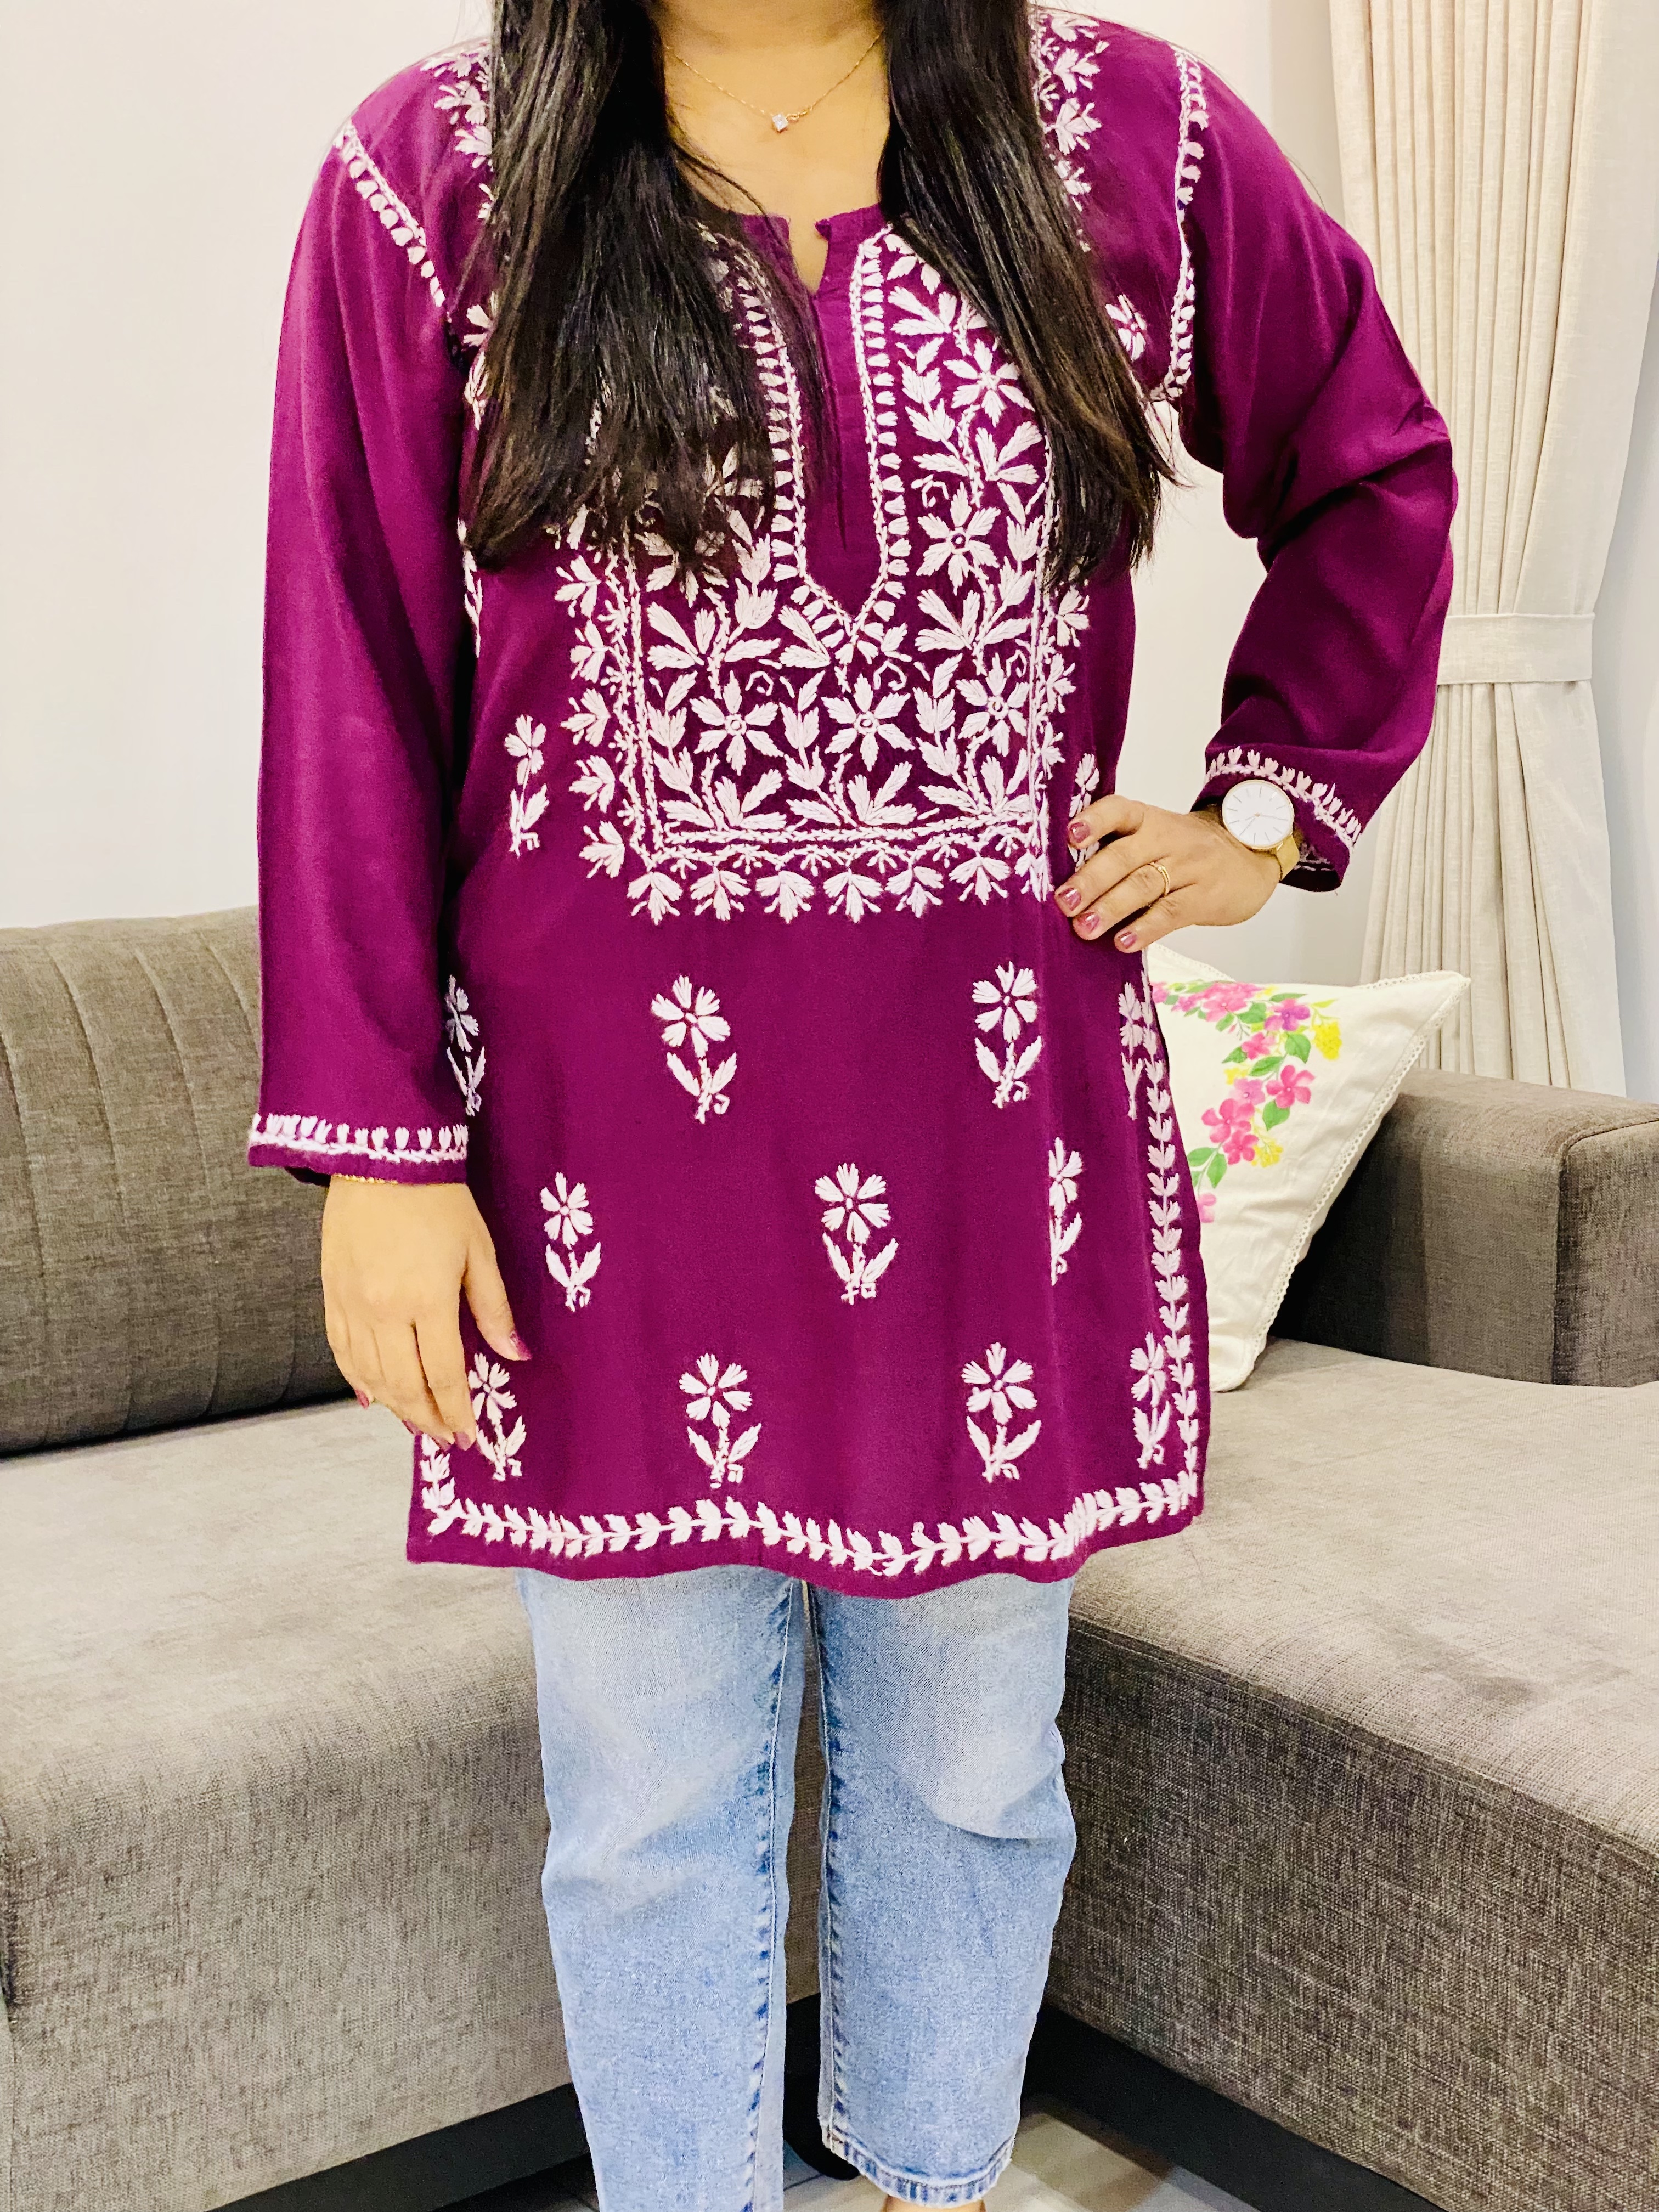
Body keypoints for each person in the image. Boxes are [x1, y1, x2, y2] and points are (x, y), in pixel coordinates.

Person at [249, 2, 1455, 2204]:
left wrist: (1267, 812)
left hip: (989, 1129)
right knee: (646, 1812)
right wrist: (377, 1148)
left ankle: (932, 2180)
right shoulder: (434, 176)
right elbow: (353, 668)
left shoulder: (1128, 131)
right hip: (599, 1163)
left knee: (976, 1773)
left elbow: (1372, 464)